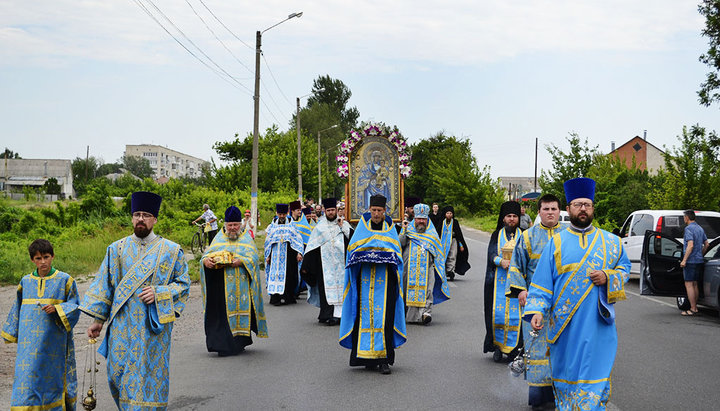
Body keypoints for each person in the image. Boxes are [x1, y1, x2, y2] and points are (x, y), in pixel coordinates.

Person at [524, 178, 630, 410]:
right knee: (567, 384)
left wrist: (607, 276)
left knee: (593, 386)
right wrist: (536, 311)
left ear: (593, 208)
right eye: (577, 204)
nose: (583, 208)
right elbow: (542, 284)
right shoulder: (556, 243)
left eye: (587, 204)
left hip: (598, 328)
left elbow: (624, 271)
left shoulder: (611, 242)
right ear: (569, 208)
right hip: (565, 330)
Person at [80, 191, 191, 410]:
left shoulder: (171, 250)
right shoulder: (116, 249)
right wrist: (98, 321)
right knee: (117, 376)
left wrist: (159, 292)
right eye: (137, 214)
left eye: (146, 215)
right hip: (122, 326)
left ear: (155, 220)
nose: (141, 218)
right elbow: (105, 286)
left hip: (152, 330)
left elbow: (183, 284)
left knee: (148, 380)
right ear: (132, 218)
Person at [2, 239, 80, 410]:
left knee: (51, 379)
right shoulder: (25, 282)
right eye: (38, 258)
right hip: (28, 345)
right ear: (32, 260)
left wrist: (58, 309)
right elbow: (17, 307)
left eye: (46, 257)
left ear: (52, 256)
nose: (43, 262)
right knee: (27, 378)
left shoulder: (65, 280)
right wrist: (10, 332)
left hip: (54, 342)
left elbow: (75, 306)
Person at [505, 194, 566, 409]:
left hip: (564, 305)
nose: (550, 212)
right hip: (536, 304)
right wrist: (520, 290)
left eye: (554, 209)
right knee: (538, 350)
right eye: (546, 209)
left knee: (562, 350)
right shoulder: (528, 237)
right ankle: (539, 399)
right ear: (539, 212)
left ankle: (562, 397)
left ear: (560, 211)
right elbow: (516, 266)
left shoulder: (569, 236)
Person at [339, 195, 406, 375]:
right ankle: (366, 358)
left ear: (385, 212)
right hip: (364, 282)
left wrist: (387, 257)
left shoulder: (391, 230)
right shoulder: (360, 229)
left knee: (385, 320)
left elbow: (397, 257)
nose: (376, 214)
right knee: (364, 319)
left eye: (379, 211)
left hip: (386, 284)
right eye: (373, 210)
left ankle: (384, 360)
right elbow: (351, 253)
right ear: (369, 210)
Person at [200, 206, 268, 356]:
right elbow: (206, 256)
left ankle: (239, 343)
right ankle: (221, 345)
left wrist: (241, 261)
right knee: (222, 315)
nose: (232, 228)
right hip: (221, 287)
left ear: (240, 224)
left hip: (242, 287)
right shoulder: (218, 238)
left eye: (235, 225)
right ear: (225, 225)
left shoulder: (246, 239)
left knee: (241, 312)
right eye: (230, 225)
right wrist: (206, 262)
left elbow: (254, 259)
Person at [301, 198, 353, 325]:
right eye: (328, 210)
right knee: (326, 291)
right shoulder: (320, 227)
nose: (330, 212)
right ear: (324, 211)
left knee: (342, 289)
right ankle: (328, 314)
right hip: (325, 267)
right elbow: (312, 247)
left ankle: (341, 315)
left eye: (332, 210)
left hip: (342, 266)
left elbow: (352, 241)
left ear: (336, 211)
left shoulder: (344, 225)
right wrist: (306, 265)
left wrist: (342, 228)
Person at [398, 203, 450, 324]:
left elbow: (438, 252)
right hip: (408, 267)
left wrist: (440, 268)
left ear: (427, 219)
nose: (421, 221)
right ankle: (408, 314)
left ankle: (426, 313)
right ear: (415, 219)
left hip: (427, 267)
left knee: (428, 289)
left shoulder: (432, 234)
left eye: (423, 219)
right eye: (419, 219)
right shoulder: (408, 229)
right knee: (407, 289)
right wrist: (403, 230)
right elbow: (399, 244)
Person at [483, 201, 522, 362]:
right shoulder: (496, 234)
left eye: (514, 216)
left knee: (516, 317)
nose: (512, 219)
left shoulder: (525, 234)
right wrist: (501, 261)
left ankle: (516, 350)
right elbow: (491, 254)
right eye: (509, 216)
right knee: (497, 315)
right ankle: (497, 346)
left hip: (518, 283)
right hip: (496, 282)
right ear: (503, 218)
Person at [264, 203, 304, 305]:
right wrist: (268, 255)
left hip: (289, 255)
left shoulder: (291, 224)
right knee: (275, 276)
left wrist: (299, 253)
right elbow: (268, 242)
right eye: (279, 214)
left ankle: (288, 297)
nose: (281, 216)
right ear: (276, 213)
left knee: (289, 276)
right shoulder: (272, 225)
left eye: (283, 214)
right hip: (275, 256)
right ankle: (275, 298)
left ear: (287, 213)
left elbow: (297, 239)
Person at [680, 209, 709, 316]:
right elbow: (707, 244)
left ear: (687, 217)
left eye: (684, 217)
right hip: (699, 260)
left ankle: (693, 308)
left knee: (689, 284)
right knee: (695, 284)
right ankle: (695, 306)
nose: (684, 219)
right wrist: (701, 254)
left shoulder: (688, 229)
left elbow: (690, 245)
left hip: (691, 261)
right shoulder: (700, 229)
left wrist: (684, 260)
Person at [439, 206, 471, 280]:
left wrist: (461, 245)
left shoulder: (455, 222)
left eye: (451, 213)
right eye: (447, 213)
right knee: (443, 256)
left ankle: (451, 271)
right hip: (442, 242)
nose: (449, 215)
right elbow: (438, 233)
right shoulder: (441, 222)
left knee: (452, 255)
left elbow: (459, 235)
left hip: (453, 241)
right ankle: (443, 271)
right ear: (445, 214)